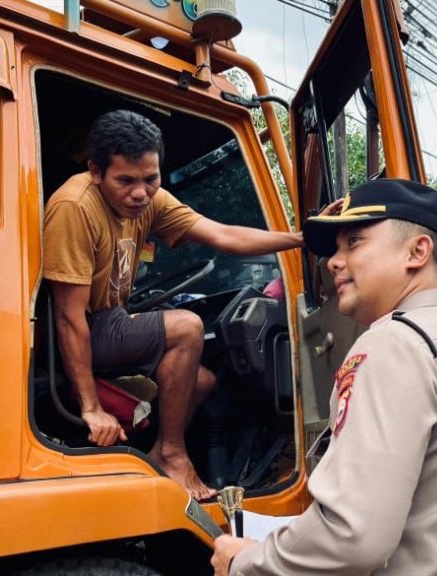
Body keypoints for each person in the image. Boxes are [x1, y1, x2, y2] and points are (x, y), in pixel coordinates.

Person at [211, 179, 437, 575]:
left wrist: (245, 562)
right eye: (336, 248)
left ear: (417, 251)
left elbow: (352, 536)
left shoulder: (394, 344)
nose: (333, 262)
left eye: (355, 242)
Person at [42, 110, 303, 500]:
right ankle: (171, 455)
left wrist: (300, 237)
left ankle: (143, 458)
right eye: (125, 181)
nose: (140, 193)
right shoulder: (75, 207)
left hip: (110, 320)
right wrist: (92, 408)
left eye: (150, 179)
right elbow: (68, 317)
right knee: (186, 327)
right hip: (75, 330)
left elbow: (223, 234)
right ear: (96, 172)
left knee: (202, 381)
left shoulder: (150, 200)